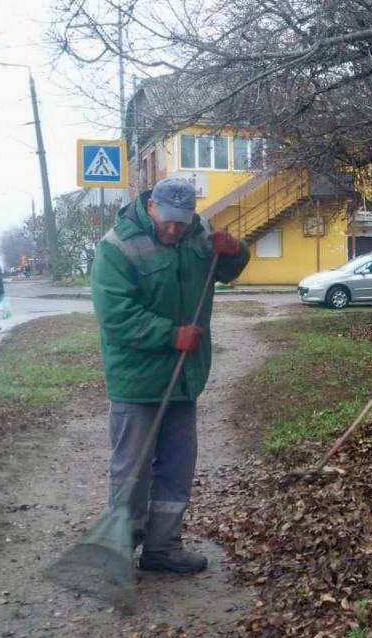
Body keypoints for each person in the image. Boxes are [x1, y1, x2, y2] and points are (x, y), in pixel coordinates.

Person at [91, 177, 249, 574]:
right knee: (133, 470)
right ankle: (119, 551)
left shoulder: (198, 235)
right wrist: (169, 334)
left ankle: (163, 548)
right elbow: (116, 316)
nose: (175, 229)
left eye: (183, 221)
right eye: (169, 221)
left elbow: (223, 269)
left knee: (177, 467)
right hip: (138, 381)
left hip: (184, 379)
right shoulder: (117, 246)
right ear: (150, 207)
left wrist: (235, 252)